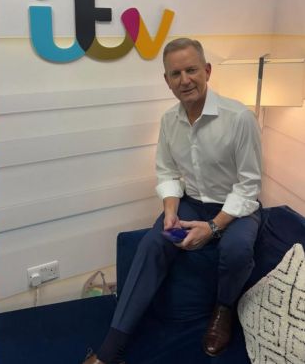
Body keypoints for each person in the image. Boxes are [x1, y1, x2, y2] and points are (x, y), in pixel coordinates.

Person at [84, 38, 262, 364]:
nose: (185, 80)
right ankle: (111, 349)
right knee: (153, 243)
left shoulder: (239, 118)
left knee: (235, 249)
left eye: (192, 70)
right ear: (167, 81)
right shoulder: (169, 121)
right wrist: (169, 211)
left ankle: (223, 310)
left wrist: (213, 227)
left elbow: (249, 186)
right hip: (192, 202)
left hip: (237, 208)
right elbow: (167, 173)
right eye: (175, 73)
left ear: (207, 71)